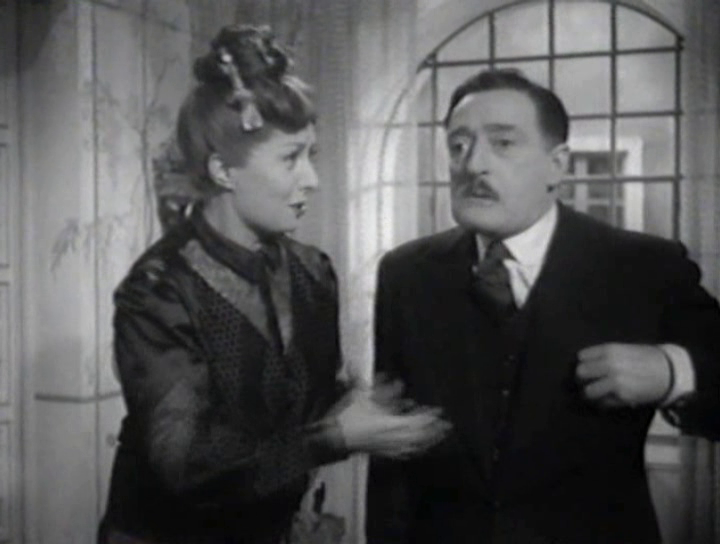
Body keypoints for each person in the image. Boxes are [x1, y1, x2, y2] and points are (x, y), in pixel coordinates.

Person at [98, 24, 449, 544]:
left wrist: (359, 405)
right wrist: (334, 437)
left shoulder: (313, 272)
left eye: (312, 156)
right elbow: (187, 466)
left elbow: (299, 401)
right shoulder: (159, 291)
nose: (312, 179)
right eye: (290, 158)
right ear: (223, 170)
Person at [365, 69, 720, 544]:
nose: (473, 164)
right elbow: (393, 458)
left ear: (557, 165)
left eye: (503, 143)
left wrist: (673, 372)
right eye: (459, 145)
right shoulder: (406, 273)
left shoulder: (643, 267)